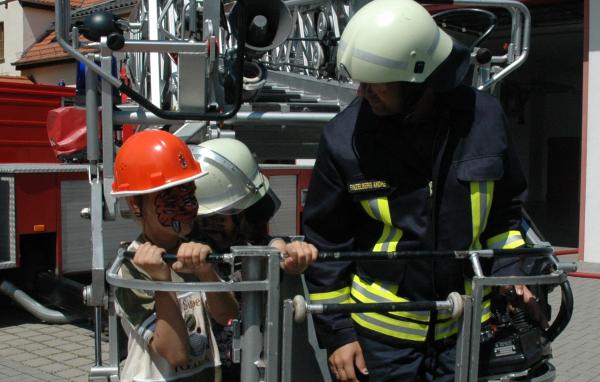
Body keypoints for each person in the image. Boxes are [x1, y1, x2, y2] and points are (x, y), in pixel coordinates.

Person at [302, 0, 541, 381]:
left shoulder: (485, 121)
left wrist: (513, 271)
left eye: (375, 83)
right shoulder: (344, 140)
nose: (362, 93)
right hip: (380, 341)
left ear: (419, 81)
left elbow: (505, 214)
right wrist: (340, 335)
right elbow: (327, 244)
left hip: (469, 329)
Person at [112, 130, 239, 382]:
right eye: (171, 198)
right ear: (136, 205)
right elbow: (176, 353)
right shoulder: (130, 269)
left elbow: (228, 317)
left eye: (189, 194)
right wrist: (161, 281)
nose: (187, 207)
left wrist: (206, 273)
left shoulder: (195, 250)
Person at [188, 138, 318, 380]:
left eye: (224, 215)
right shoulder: (191, 247)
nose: (213, 223)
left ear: (244, 213)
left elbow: (278, 250)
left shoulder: (256, 244)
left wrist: (293, 254)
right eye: (206, 216)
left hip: (249, 360)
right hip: (204, 361)